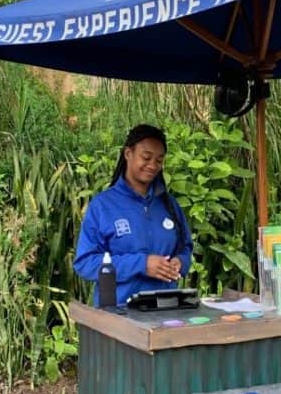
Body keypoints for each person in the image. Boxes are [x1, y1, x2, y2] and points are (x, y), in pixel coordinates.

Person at [73, 124, 193, 306]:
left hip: (166, 313)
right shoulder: (102, 206)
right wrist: (141, 264)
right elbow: (85, 263)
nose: (152, 165)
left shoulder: (169, 205)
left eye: (159, 160)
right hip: (118, 315)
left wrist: (180, 263)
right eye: (146, 157)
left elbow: (185, 249)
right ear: (128, 154)